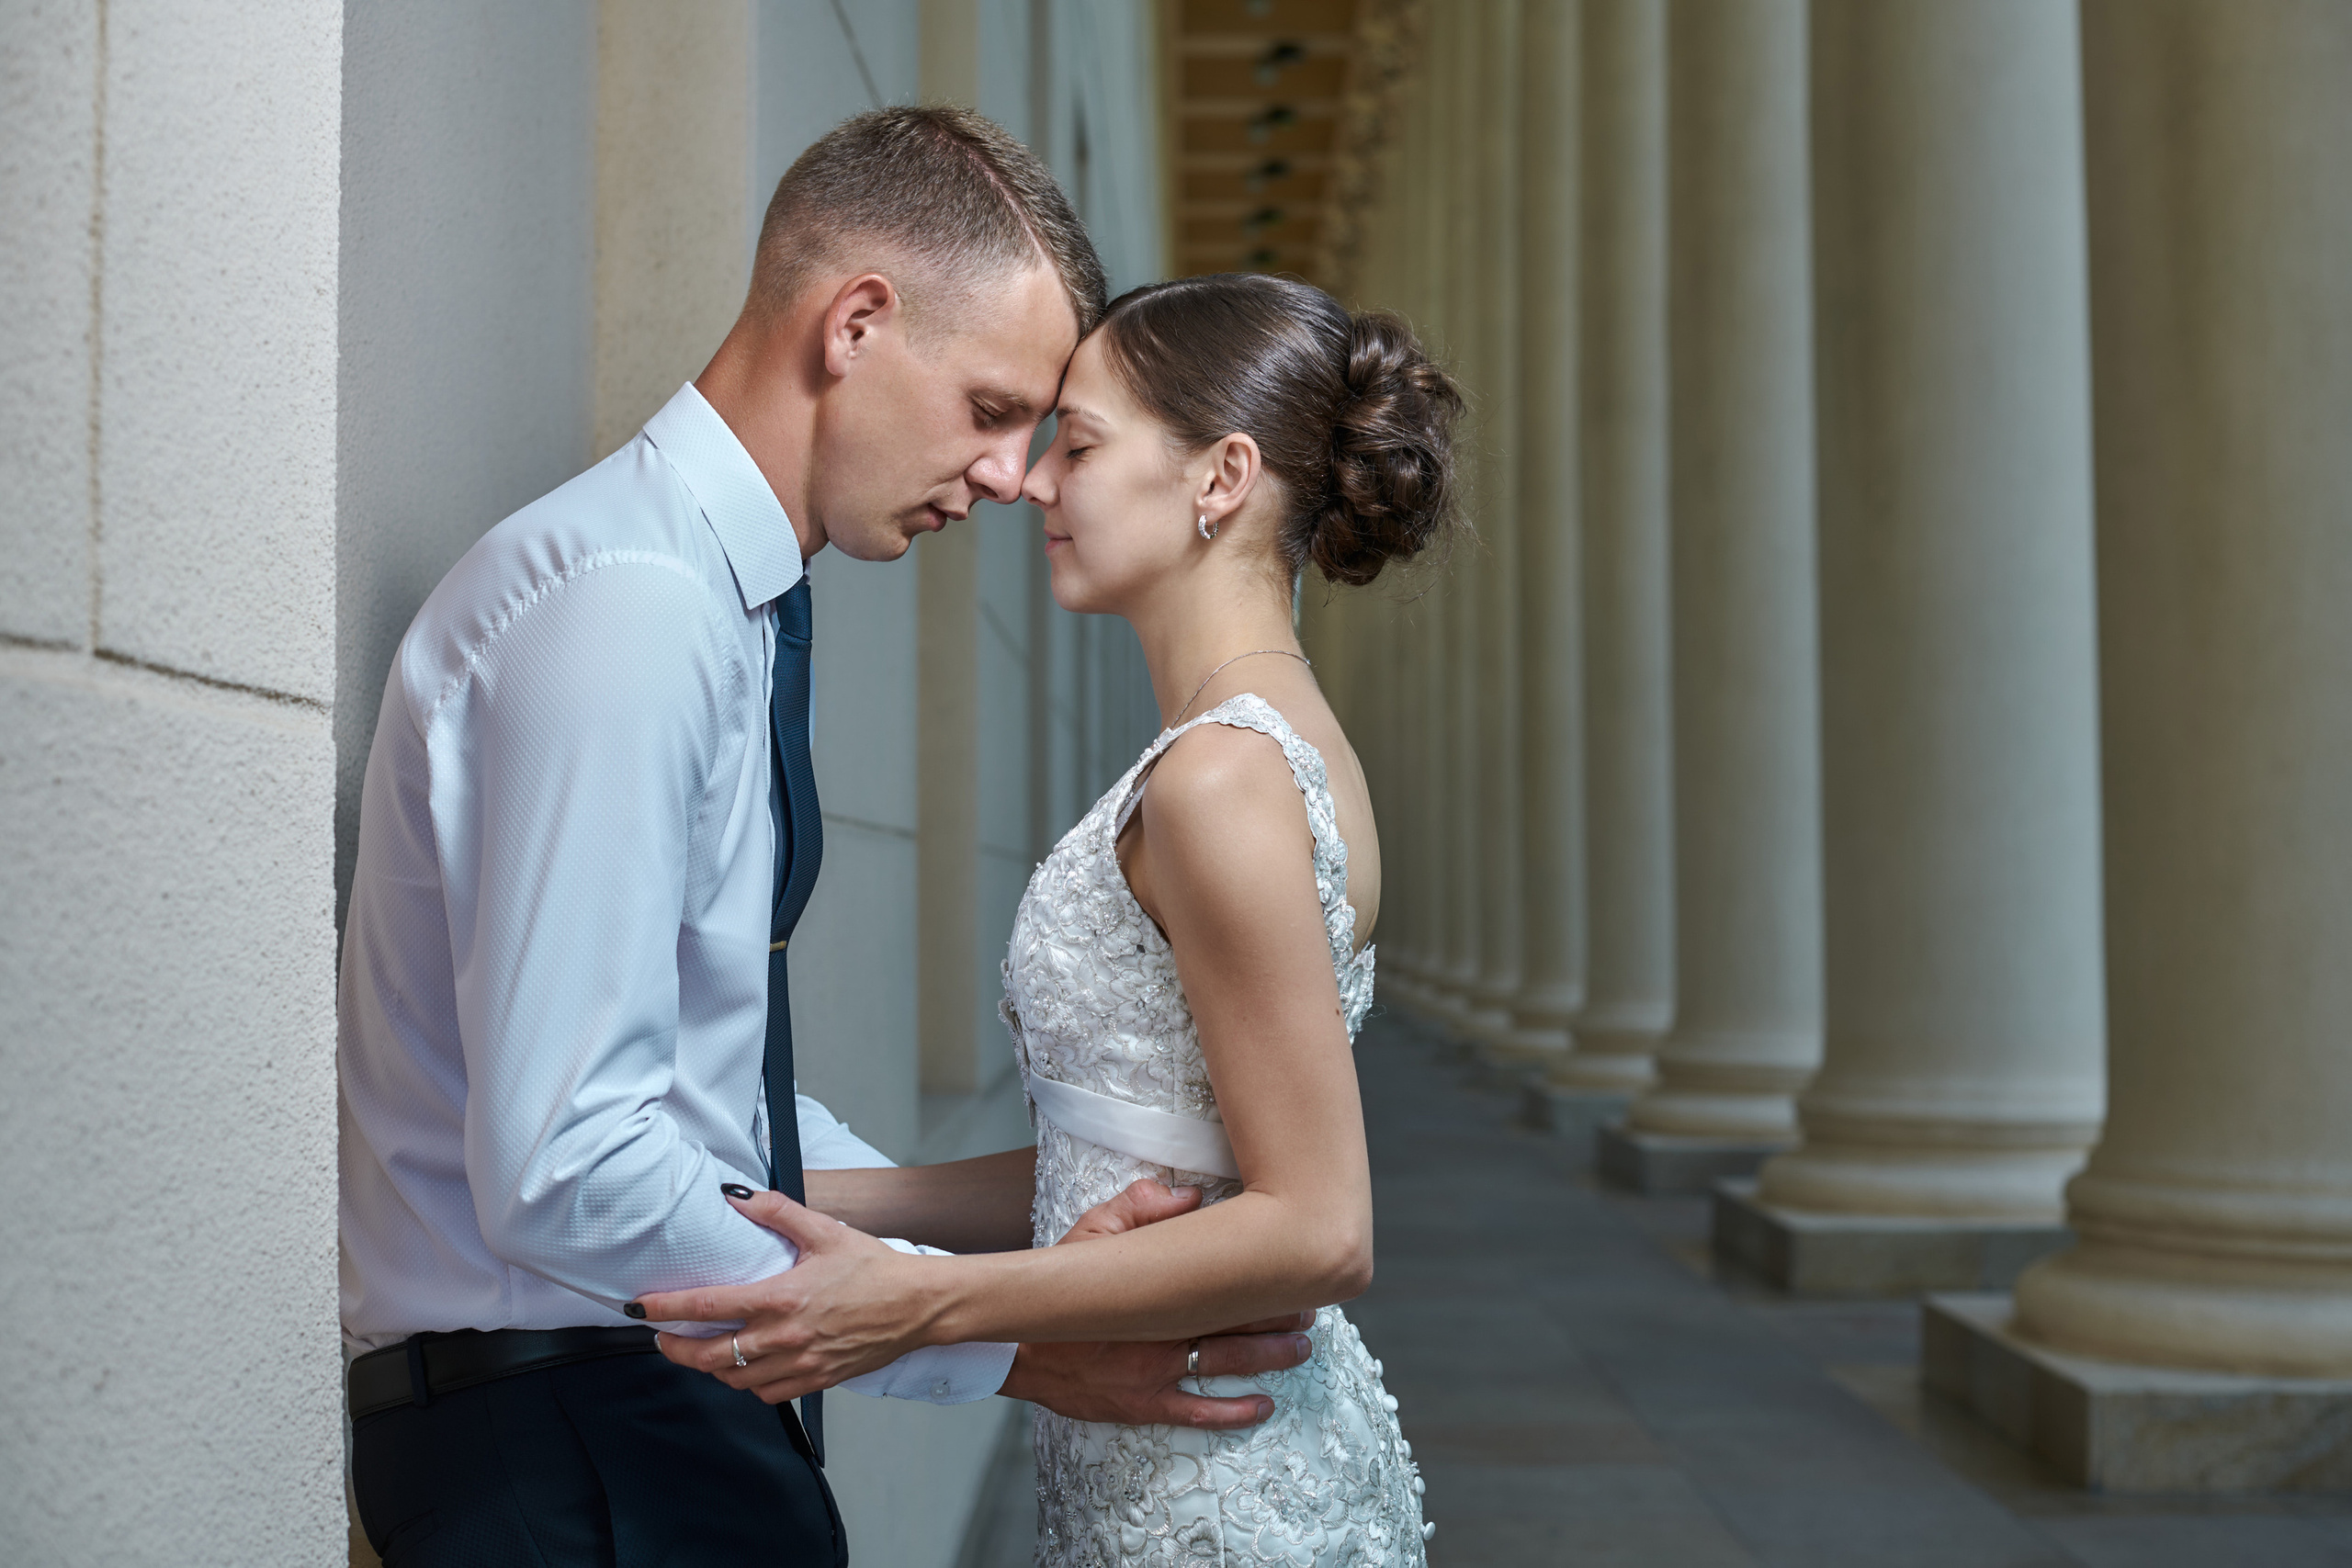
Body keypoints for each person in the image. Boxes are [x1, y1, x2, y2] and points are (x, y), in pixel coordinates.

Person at [337, 108, 1313, 1568]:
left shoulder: (719, 603)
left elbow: (705, 1101)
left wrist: (998, 1262)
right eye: (992, 408)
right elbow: (574, 1164)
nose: (1009, 478)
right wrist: (973, 1332)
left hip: (647, 1408)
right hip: (565, 1446)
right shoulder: (629, 611)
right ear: (855, 323)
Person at [637, 271, 1464, 1566]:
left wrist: (927, 1304)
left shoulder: (1221, 780)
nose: (1028, 483)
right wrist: (803, 1192)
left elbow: (1318, 1225)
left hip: (1223, 1494)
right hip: (1179, 1450)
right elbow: (1150, 1161)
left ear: (1222, 477)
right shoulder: (1251, 749)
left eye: (1076, 445)